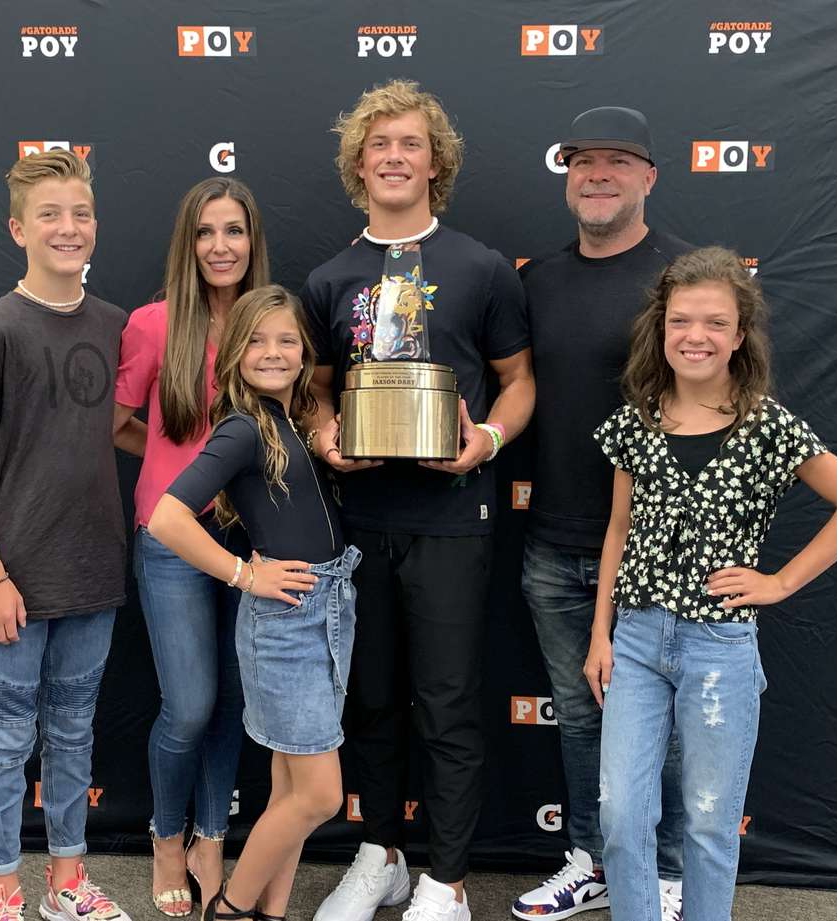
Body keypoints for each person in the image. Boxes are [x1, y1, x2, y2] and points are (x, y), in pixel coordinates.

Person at [585, 247, 837, 921]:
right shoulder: (638, 419)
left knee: (711, 823)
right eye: (682, 320)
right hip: (633, 641)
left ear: (740, 333)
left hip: (718, 645)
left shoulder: (767, 423)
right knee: (623, 816)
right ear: (661, 329)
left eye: (715, 322)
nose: (697, 336)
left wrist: (780, 581)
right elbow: (617, 529)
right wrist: (600, 633)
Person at [303, 80, 534, 921]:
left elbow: (518, 382)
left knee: (444, 700)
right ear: (357, 164)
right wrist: (328, 439)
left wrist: (489, 443)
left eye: (410, 144)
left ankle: (447, 877)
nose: (394, 157)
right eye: (379, 145)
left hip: (453, 517)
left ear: (436, 162)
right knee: (370, 697)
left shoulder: (480, 267)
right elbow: (318, 389)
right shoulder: (331, 278)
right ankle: (380, 856)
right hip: (361, 521)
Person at [513, 106, 693, 921]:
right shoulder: (537, 281)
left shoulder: (685, 280)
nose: (598, 174)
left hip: (659, 551)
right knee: (580, 715)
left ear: (649, 177)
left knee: (667, 722)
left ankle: (669, 868)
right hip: (554, 541)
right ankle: (591, 858)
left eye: (618, 161)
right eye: (583, 160)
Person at [0, 149, 133, 921]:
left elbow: (116, 427)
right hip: (12, 582)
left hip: (92, 572)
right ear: (19, 228)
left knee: (74, 734)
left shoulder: (117, 324)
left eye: (80, 213)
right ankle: (2, 889)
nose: (68, 227)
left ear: (95, 225)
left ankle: (66, 882)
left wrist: (200, 462)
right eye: (50, 215)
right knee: (3, 741)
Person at [148, 285, 358, 921]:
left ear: (304, 352)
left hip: (328, 607)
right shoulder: (243, 428)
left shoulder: (289, 420)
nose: (274, 352)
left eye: (287, 340)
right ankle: (234, 909)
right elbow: (166, 517)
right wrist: (244, 574)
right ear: (235, 352)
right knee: (320, 796)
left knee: (290, 790)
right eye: (258, 341)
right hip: (287, 622)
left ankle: (271, 913)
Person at [113, 177, 269, 916]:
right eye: (205, 232)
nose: (219, 246)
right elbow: (116, 424)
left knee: (235, 700)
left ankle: (213, 835)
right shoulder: (151, 325)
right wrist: (175, 467)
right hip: (170, 537)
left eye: (233, 230)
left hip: (253, 537)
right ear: (188, 243)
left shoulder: (270, 322)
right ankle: (166, 837)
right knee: (190, 702)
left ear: (251, 241)